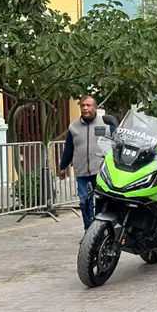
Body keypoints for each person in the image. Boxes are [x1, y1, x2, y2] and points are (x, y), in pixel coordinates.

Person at [58, 96, 114, 231]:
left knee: (103, 202)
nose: (85, 108)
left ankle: (102, 231)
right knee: (84, 202)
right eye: (82, 105)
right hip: (82, 171)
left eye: (88, 105)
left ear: (95, 107)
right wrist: (63, 166)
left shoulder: (106, 124)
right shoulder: (73, 127)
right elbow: (69, 148)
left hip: (102, 172)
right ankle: (89, 231)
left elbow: (116, 145)